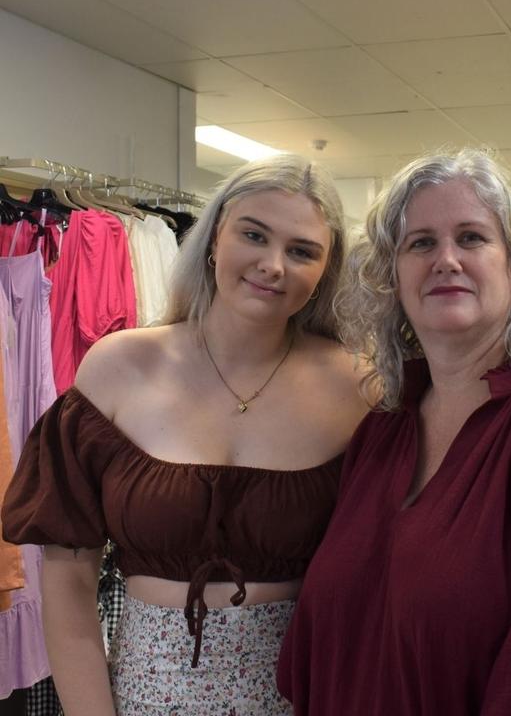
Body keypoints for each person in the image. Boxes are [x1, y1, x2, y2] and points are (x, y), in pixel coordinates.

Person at [2, 154, 369, 714]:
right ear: (215, 236)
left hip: (305, 696)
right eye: (254, 234)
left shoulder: (361, 389)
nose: (273, 265)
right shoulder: (118, 369)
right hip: (143, 697)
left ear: (325, 271)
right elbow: (70, 577)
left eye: (302, 251)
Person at [276, 148, 511, 715]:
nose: (446, 259)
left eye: (471, 238)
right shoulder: (383, 425)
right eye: (420, 243)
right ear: (392, 277)